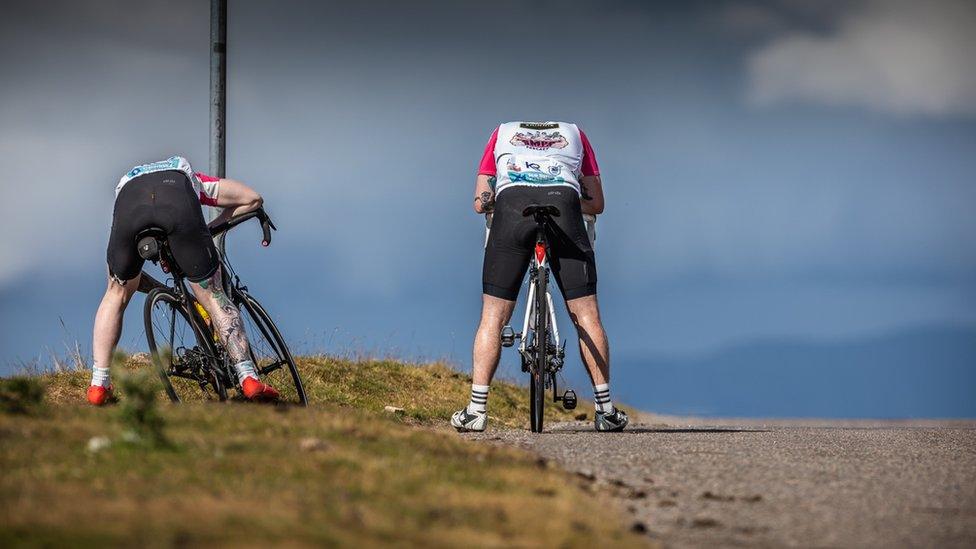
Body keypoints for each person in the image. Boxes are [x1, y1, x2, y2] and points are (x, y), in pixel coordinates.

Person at [452, 121, 628, 432]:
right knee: (587, 314)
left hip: (512, 206)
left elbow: (480, 202)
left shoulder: (500, 133)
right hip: (564, 203)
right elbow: (597, 203)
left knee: (492, 316)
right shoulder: (576, 134)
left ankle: (476, 411)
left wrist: (495, 201)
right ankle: (606, 410)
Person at [87, 156, 279, 405]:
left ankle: (98, 384)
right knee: (213, 295)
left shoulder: (127, 181)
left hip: (129, 208)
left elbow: (126, 274)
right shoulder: (190, 177)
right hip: (177, 205)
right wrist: (206, 230)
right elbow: (252, 198)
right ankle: (248, 376)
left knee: (114, 295)